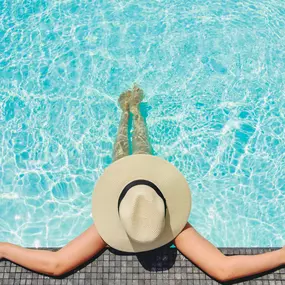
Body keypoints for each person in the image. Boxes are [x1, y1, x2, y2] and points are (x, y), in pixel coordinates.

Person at [0, 84, 284, 282]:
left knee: (128, 149)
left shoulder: (126, 220)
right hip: (139, 184)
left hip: (134, 185)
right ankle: (128, 114)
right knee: (133, 148)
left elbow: (57, 264)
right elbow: (223, 269)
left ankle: (130, 113)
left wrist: (3, 248)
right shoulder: (167, 223)